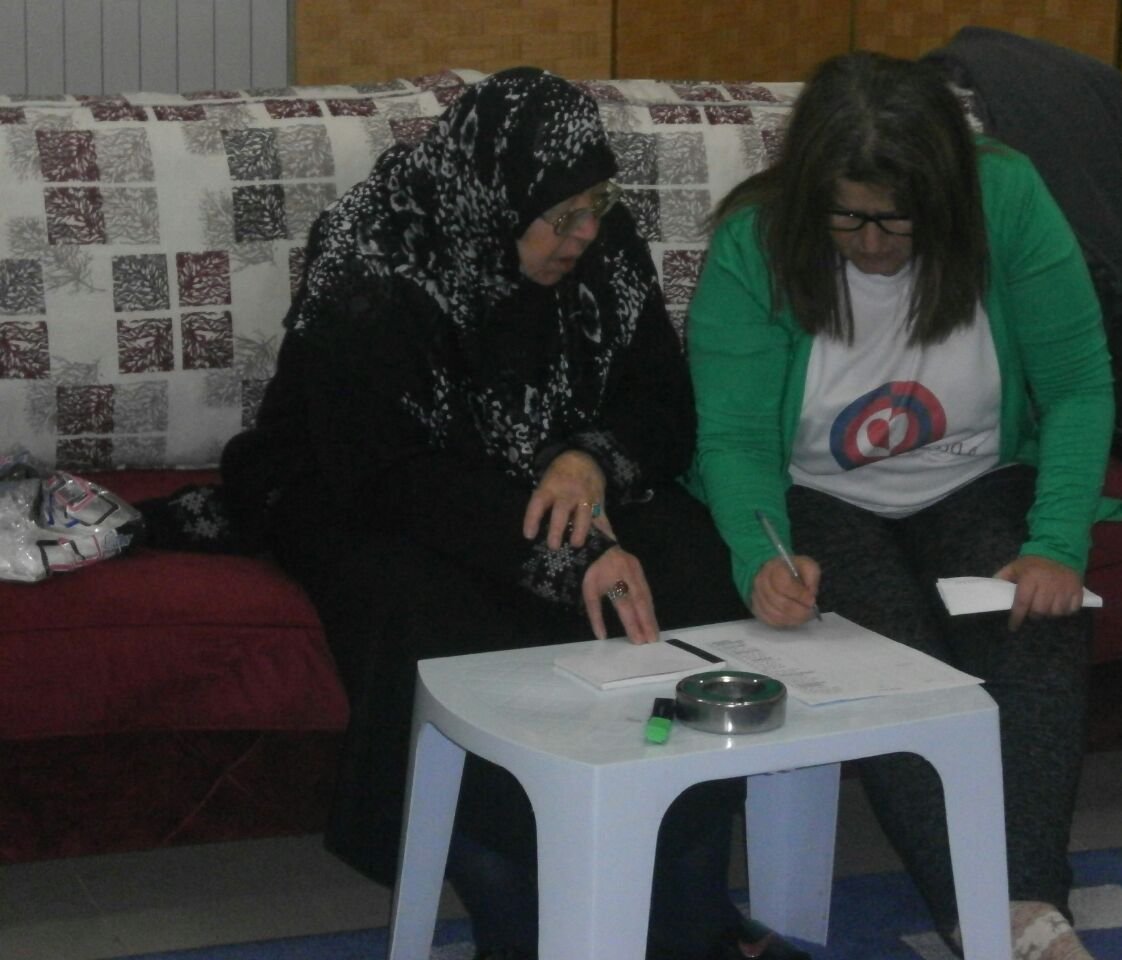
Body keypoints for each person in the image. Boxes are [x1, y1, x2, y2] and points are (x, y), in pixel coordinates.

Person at [219, 68, 803, 960]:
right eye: (559, 217)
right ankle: (518, 922)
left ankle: (692, 905)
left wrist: (587, 460)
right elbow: (389, 472)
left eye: (596, 206)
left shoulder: (602, 246)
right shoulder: (376, 255)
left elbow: (662, 405)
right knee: (442, 623)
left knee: (692, 567)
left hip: (553, 475)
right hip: (365, 487)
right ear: (494, 202)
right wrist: (568, 556)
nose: (584, 234)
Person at [685, 52, 1122, 960]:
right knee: (889, 670)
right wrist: (762, 559)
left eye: (898, 219)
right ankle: (1004, 923)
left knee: (1038, 626)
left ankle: (1020, 914)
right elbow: (733, 438)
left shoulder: (1007, 198)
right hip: (818, 496)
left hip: (976, 476)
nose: (874, 244)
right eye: (847, 217)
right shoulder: (755, 242)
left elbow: (1078, 384)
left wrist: (1056, 544)